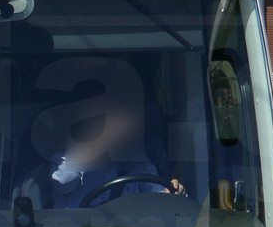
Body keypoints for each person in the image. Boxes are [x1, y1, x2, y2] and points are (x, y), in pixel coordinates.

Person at [15, 82, 184, 211]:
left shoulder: (138, 162)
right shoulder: (68, 154)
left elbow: (157, 194)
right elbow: (63, 181)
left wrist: (172, 193)